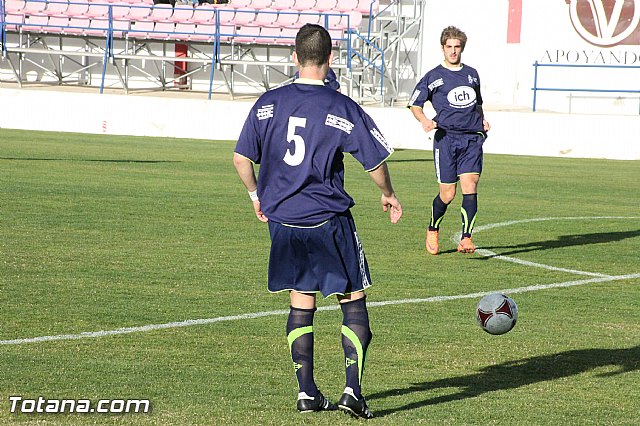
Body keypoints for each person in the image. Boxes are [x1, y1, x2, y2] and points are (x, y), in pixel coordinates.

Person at [233, 23, 402, 420]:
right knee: (352, 299)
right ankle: (352, 392)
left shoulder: (268, 103)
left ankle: (306, 392)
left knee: (301, 298)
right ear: (330, 60)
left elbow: (242, 159)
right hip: (328, 218)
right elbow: (375, 161)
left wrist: (257, 196)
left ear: (295, 57)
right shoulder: (340, 106)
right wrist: (389, 193)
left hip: (284, 221)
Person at [408, 25, 490, 255]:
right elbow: (415, 104)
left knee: (470, 185)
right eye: (449, 47)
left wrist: (482, 120)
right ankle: (433, 228)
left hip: (472, 139)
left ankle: (466, 238)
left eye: (457, 47)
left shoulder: (472, 74)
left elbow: (478, 103)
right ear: (443, 48)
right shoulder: (434, 77)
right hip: (446, 140)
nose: (453, 51)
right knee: (448, 194)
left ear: (462, 48)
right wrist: (424, 120)